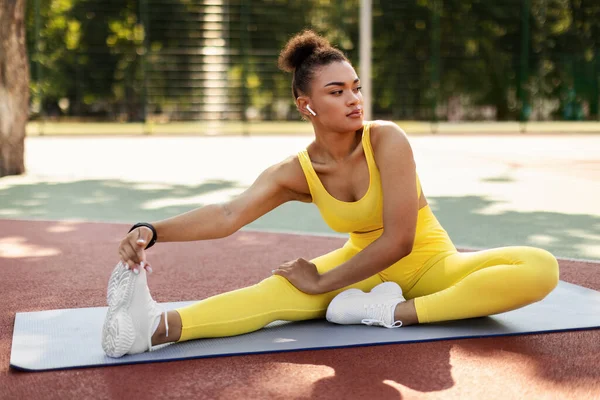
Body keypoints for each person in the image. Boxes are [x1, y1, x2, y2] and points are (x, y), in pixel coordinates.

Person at [101, 30, 559, 358]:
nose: (354, 100)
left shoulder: (387, 140)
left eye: (356, 88)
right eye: (337, 91)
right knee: (270, 297)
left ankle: (386, 313)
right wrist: (150, 230)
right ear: (307, 106)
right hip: (358, 271)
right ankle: (154, 327)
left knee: (540, 268)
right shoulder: (295, 172)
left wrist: (324, 283)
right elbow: (227, 214)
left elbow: (399, 240)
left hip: (434, 263)